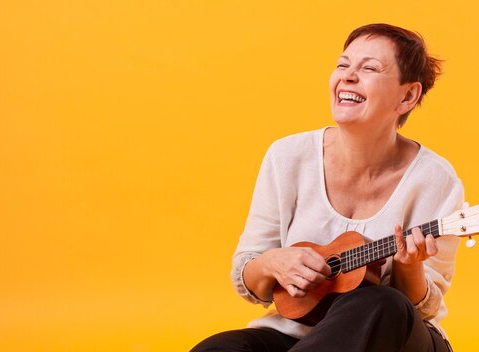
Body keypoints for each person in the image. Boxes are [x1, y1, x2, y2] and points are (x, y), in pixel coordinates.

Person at [192, 23, 461, 352]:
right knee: (222, 348)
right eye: (343, 64)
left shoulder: (435, 179)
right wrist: (272, 262)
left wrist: (410, 265)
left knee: (381, 303)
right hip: (298, 336)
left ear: (407, 96)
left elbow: (420, 310)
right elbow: (250, 279)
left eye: (369, 68)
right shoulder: (287, 156)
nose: (348, 76)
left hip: (397, 339)